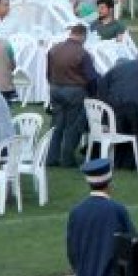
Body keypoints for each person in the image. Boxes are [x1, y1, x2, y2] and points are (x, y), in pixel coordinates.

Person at [66, 158, 133, 276]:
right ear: (109, 182)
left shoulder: (76, 211)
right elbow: (130, 246)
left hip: (84, 275)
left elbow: (72, 250)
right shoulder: (117, 210)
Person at [46, 24, 99, 168]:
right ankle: (67, 159)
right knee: (73, 126)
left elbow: (48, 73)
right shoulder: (82, 53)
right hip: (75, 91)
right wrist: (94, 93)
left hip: (55, 88)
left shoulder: (54, 49)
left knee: (56, 125)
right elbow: (91, 77)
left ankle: (51, 157)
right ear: (83, 36)